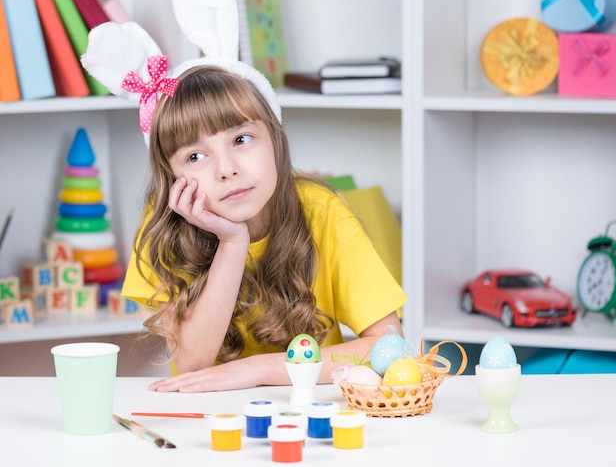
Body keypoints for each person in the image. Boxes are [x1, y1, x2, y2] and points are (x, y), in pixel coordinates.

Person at [120, 64, 408, 392]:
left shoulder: (322, 210)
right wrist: (232, 242)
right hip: (211, 417)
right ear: (172, 177)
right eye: (196, 156)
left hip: (310, 409)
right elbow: (192, 362)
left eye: (241, 139)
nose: (226, 169)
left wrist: (257, 370)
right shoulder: (164, 227)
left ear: (275, 137)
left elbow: (390, 348)